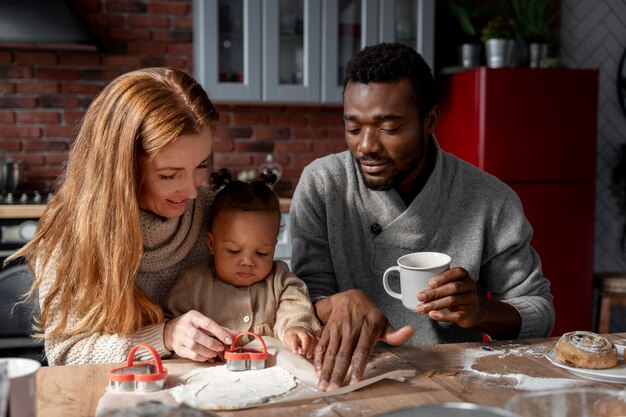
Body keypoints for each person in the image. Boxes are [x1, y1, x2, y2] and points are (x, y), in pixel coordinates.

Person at [289, 42, 555, 391]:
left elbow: (539, 311)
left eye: (388, 128)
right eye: (354, 128)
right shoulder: (323, 184)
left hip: (454, 384)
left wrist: (480, 311)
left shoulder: (489, 198)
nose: (366, 145)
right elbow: (298, 301)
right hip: (350, 381)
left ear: (429, 120)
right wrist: (334, 304)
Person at [9, 67, 237, 365]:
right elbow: (64, 354)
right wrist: (165, 336)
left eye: (201, 166)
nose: (192, 192)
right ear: (122, 169)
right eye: (169, 175)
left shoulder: (215, 211)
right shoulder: (70, 233)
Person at [164, 170, 321, 358]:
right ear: (211, 244)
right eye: (234, 251)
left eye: (262, 253)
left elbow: (295, 307)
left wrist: (295, 328)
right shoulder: (191, 284)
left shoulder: (280, 279)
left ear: (273, 246)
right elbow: (175, 328)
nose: (247, 262)